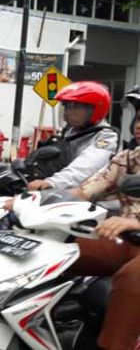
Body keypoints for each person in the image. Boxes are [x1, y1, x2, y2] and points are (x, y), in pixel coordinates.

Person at [57, 109, 140, 350]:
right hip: (126, 241)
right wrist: (36, 198)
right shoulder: (128, 159)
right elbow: (85, 191)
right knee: (61, 250)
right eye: (138, 119)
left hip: (133, 238)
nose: (138, 125)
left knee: (133, 279)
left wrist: (135, 223)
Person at [26, 81, 118, 191]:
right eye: (67, 106)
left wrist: (52, 182)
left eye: (76, 107)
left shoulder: (106, 137)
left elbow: (85, 167)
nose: (68, 112)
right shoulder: (70, 132)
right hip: (64, 191)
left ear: (94, 109)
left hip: (91, 197)